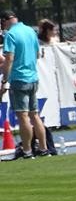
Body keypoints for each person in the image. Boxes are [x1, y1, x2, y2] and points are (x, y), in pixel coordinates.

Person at [0, 9, 50, 158]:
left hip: (19, 79)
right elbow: (37, 54)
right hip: (33, 77)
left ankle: (27, 150)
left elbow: (9, 59)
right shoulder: (30, 31)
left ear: (5, 21)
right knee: (35, 115)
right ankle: (43, 148)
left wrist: (4, 81)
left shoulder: (10, 34)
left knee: (23, 116)